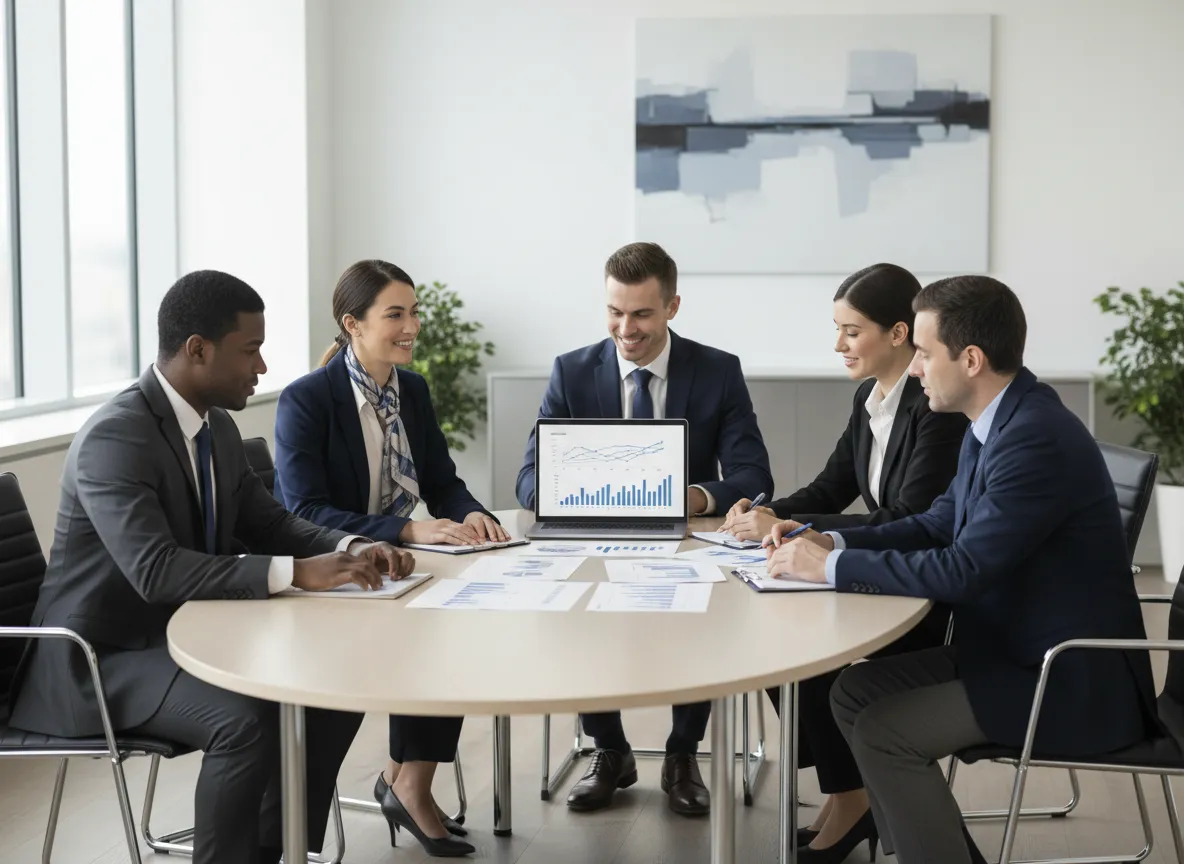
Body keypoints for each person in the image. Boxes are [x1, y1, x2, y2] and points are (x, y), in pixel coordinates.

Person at [7, 271, 414, 864]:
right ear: (198, 349)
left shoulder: (215, 427)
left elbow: (271, 525)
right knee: (244, 719)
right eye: (251, 350)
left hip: (181, 638)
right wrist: (299, 574)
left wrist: (351, 548)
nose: (264, 368)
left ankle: (274, 851)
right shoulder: (116, 438)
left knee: (331, 688)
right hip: (96, 659)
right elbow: (156, 571)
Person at [763, 275, 1158, 864]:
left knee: (882, 731)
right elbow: (937, 522)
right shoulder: (994, 420)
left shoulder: (1032, 438)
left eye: (923, 353)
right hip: (1009, 647)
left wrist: (834, 568)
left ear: (970, 359)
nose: (915, 369)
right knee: (851, 692)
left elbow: (963, 569)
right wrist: (829, 537)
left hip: (1064, 674)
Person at [517, 241, 774, 817]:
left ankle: (683, 753)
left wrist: (694, 495)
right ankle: (610, 749)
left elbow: (755, 474)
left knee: (705, 614)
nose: (625, 328)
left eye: (641, 314)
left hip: (685, 542)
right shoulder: (572, 371)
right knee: (577, 612)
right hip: (594, 539)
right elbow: (529, 481)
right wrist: (585, 492)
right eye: (614, 312)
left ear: (672, 307)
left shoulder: (717, 370)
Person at [718, 263, 966, 858]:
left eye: (851, 331)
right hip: (878, 572)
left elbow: (912, 517)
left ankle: (852, 799)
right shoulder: (871, 398)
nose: (838, 344)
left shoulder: (937, 410)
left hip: (920, 593)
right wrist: (767, 509)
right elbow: (832, 487)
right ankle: (847, 794)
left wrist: (795, 530)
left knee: (804, 654)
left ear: (900, 334)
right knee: (783, 642)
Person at [274, 259, 500, 857]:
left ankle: (409, 783)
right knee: (428, 632)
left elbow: (443, 481)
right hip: (329, 575)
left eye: (414, 312)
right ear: (353, 323)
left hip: (394, 568)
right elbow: (305, 512)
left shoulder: (413, 390)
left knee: (451, 620)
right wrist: (406, 528)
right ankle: (404, 788)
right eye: (395, 314)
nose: (412, 327)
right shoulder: (307, 400)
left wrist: (472, 513)